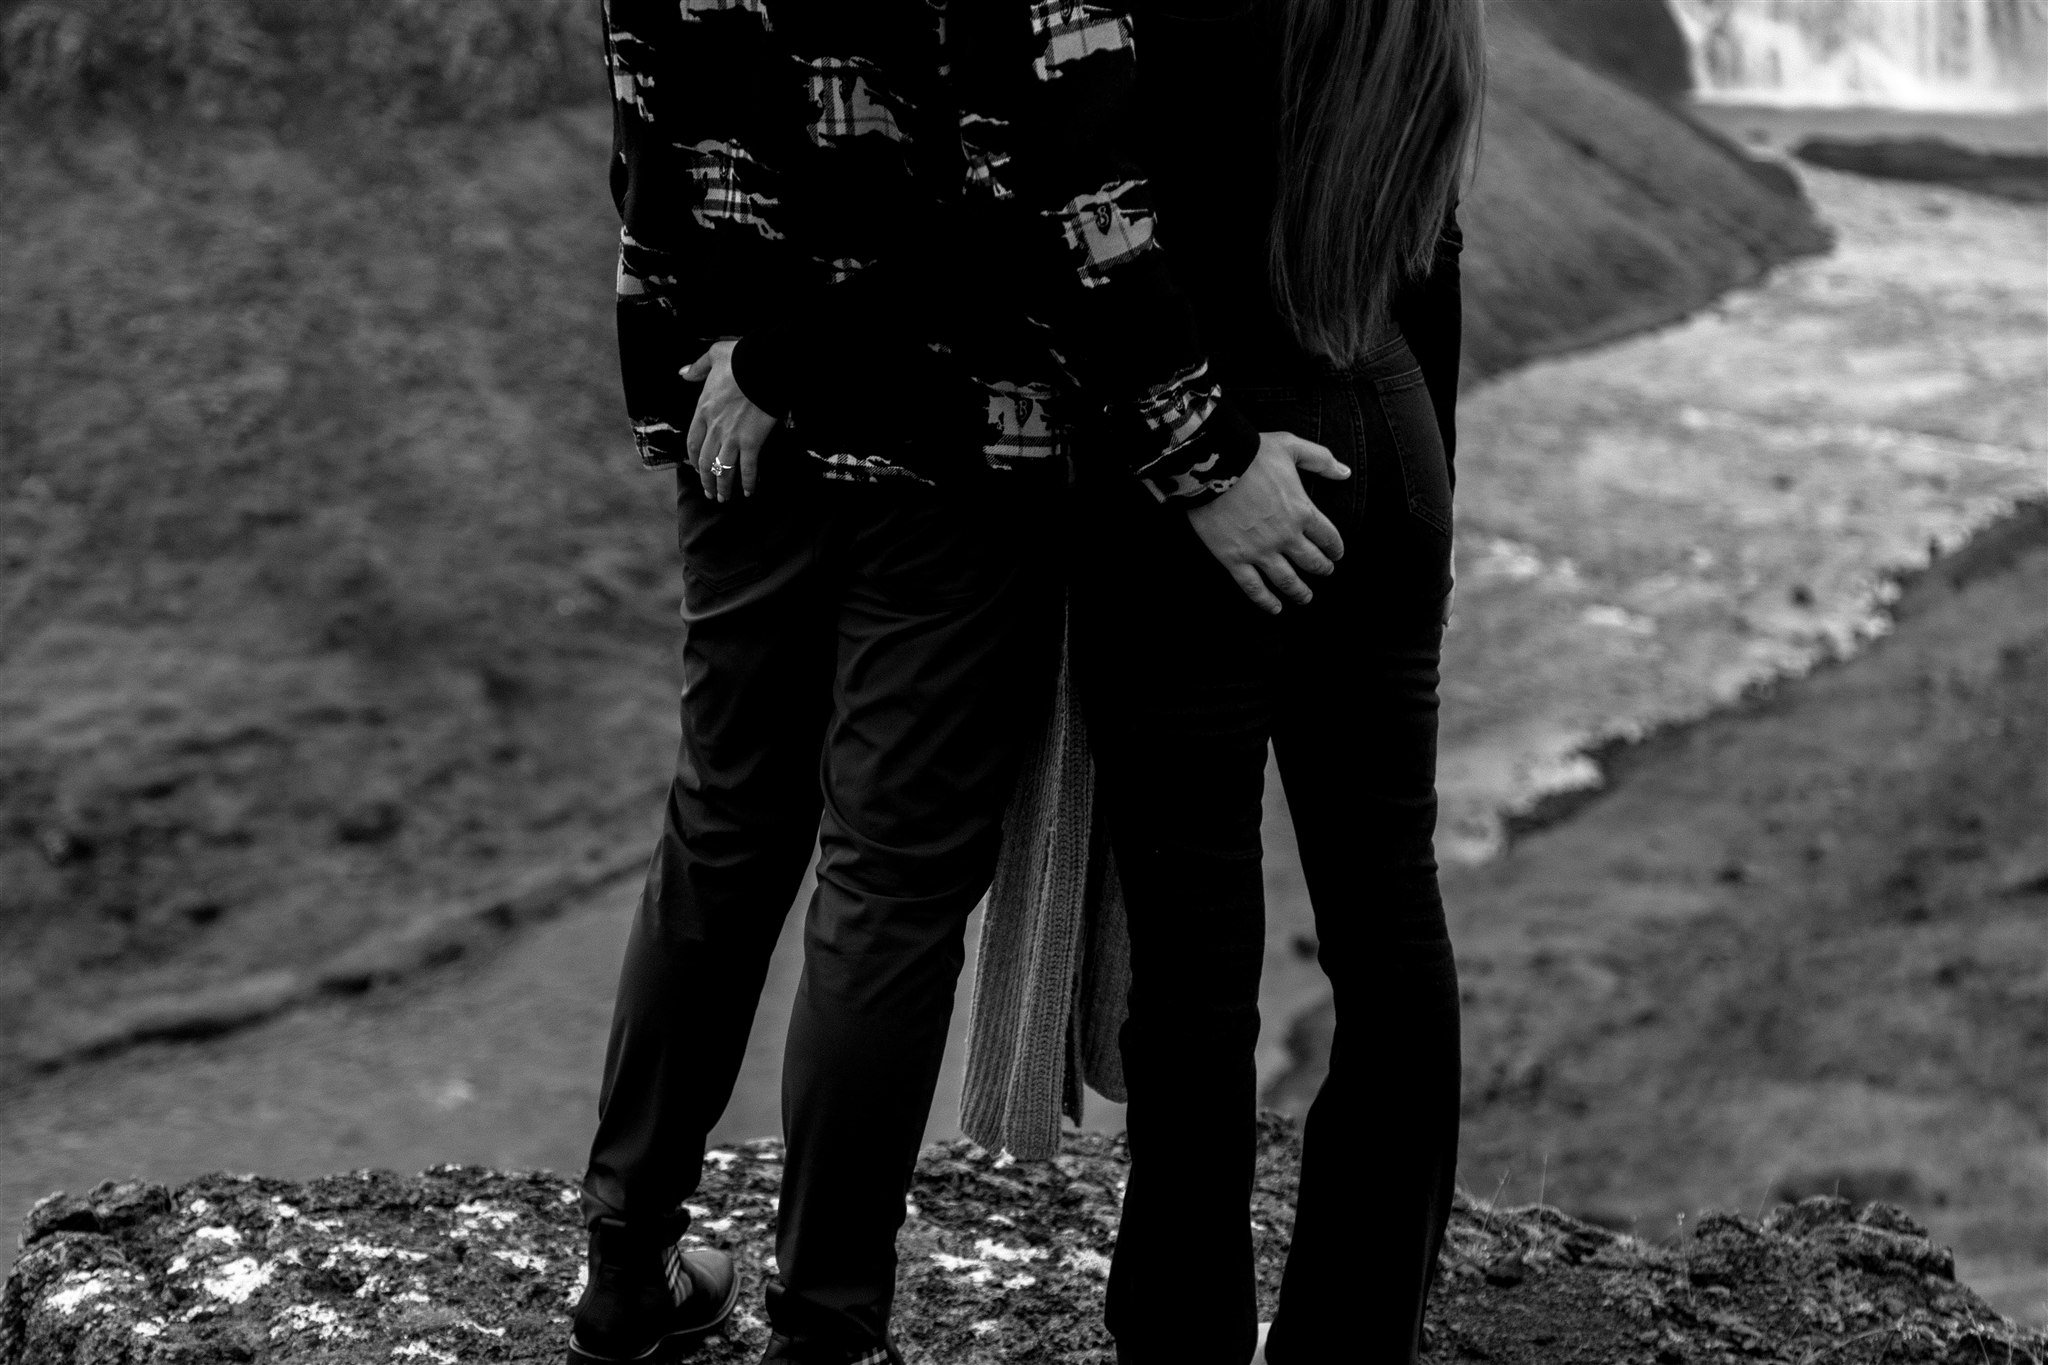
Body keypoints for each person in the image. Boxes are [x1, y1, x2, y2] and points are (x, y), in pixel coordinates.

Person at [568, 4, 1279, 1363]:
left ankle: (622, 1273)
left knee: (721, 830)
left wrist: (713, 376)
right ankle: (828, 1327)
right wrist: (1205, 453)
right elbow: (1040, 197)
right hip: (959, 451)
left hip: (739, 428)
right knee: (887, 886)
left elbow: (647, 129)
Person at [1067, 2, 1484, 1363]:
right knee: (1389, 915)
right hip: (1392, 425)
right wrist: (1423, 517)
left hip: (1219, 468)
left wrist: (1191, 454)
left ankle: (1179, 1340)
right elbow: (1434, 253)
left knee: (1193, 957)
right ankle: (1350, 1342)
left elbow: (1107, 223)